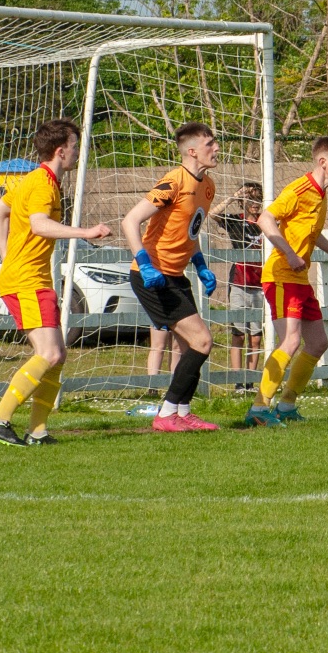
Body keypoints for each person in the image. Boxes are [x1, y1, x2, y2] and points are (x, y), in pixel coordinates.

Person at [0, 119, 115, 447]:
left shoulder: (35, 179)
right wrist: (86, 232)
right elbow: (39, 225)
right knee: (50, 353)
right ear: (60, 150)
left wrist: (7, 255)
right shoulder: (41, 184)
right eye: (74, 146)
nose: (77, 153)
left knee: (58, 354)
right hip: (26, 280)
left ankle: (37, 431)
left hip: (29, 276)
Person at [246, 136, 328, 427]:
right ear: (323, 162)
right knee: (291, 340)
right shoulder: (300, 189)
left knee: (318, 343)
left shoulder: (320, 195)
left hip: (299, 279)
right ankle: (259, 408)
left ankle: (286, 406)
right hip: (281, 276)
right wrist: (289, 253)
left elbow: (312, 233)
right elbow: (265, 219)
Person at [122, 122, 223, 432]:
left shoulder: (208, 186)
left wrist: (200, 264)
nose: (217, 148)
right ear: (192, 151)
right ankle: (166, 414)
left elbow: (189, 231)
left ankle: (182, 411)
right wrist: (144, 263)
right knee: (203, 341)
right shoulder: (172, 182)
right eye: (210, 144)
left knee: (189, 346)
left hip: (176, 275)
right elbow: (130, 221)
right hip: (153, 276)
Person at [212, 182, 265, 374]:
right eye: (250, 199)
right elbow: (213, 214)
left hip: (260, 285)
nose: (255, 203)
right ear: (242, 202)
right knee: (239, 334)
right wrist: (234, 196)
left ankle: (250, 380)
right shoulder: (235, 221)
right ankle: (237, 381)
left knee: (256, 337)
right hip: (239, 284)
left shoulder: (266, 222)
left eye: (258, 199)